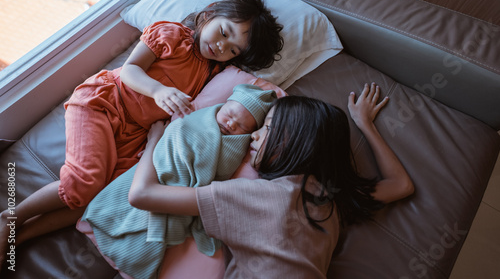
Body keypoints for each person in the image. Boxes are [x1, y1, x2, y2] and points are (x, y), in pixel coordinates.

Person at [0, 0, 284, 264]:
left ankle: (17, 237)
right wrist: (158, 91)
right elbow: (131, 69)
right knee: (85, 183)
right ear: (209, 14)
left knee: (98, 198)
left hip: (135, 134)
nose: (221, 46)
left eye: (232, 50)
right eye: (224, 32)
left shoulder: (213, 72)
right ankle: (11, 217)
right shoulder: (171, 35)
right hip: (103, 102)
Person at [128, 83, 415, 278]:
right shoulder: (330, 200)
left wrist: (156, 141)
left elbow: (141, 194)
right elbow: (401, 185)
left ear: (298, 141)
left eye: (267, 128)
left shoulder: (254, 195)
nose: (253, 135)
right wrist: (365, 124)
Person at [81, 84, 277, 279]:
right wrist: (157, 141)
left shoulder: (235, 151)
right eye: (230, 114)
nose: (232, 124)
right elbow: (177, 134)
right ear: (222, 106)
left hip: (174, 194)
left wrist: (153, 142)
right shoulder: (193, 122)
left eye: (242, 126)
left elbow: (217, 174)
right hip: (152, 178)